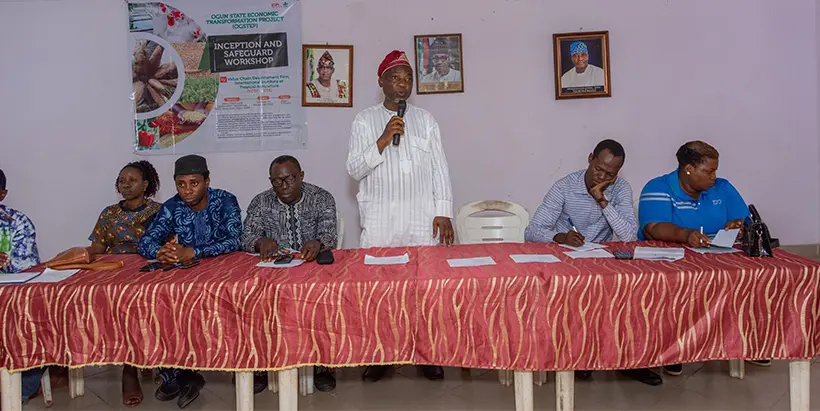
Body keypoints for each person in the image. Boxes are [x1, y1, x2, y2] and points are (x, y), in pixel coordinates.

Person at [346, 50, 454, 382]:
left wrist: (444, 211)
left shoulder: (426, 120)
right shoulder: (365, 120)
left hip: (422, 220)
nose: (403, 83)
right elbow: (354, 169)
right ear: (381, 82)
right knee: (380, 291)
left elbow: (440, 169)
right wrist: (381, 141)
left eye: (408, 78)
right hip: (381, 221)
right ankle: (381, 355)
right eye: (396, 77)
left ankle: (427, 354)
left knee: (424, 289)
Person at [523, 140, 661, 386]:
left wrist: (602, 200)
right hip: (569, 258)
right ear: (590, 159)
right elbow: (533, 230)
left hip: (603, 258)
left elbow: (628, 235)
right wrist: (559, 237)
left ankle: (630, 361)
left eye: (611, 174)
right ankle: (581, 358)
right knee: (574, 296)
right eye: (599, 169)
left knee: (637, 292)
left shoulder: (620, 189)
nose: (603, 177)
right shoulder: (564, 187)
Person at [638, 140, 770, 375]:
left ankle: (747, 342)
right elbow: (653, 227)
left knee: (752, 279)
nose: (714, 176)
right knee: (674, 285)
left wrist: (738, 226)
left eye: (715, 170)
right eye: (708, 171)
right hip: (673, 261)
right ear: (689, 169)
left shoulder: (723, 188)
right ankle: (673, 349)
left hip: (718, 258)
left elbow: (746, 221)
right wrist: (686, 234)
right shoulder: (658, 187)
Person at [137, 154, 241, 409]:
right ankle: (176, 373)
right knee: (160, 305)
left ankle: (193, 371)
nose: (187, 190)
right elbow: (145, 241)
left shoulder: (225, 201)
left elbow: (236, 239)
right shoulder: (172, 206)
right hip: (184, 277)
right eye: (181, 184)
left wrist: (194, 251)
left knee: (201, 309)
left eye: (194, 183)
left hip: (222, 277)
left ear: (207, 180)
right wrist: (159, 252)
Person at [241, 155, 338, 391]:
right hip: (273, 272)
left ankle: (321, 365)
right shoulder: (260, 202)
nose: (284, 187)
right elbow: (246, 237)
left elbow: (330, 236)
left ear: (301, 176)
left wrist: (317, 243)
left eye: (290, 179)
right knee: (253, 303)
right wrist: (260, 242)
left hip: (311, 271)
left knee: (322, 301)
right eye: (277, 182)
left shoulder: (321, 197)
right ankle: (261, 366)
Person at [84, 160, 161, 407]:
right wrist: (77, 258)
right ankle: (129, 369)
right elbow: (97, 248)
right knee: (121, 306)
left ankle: (152, 360)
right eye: (121, 181)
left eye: (132, 180)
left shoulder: (160, 211)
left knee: (149, 303)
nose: (125, 185)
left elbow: (166, 246)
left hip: (149, 269)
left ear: (146, 184)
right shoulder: (109, 214)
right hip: (116, 271)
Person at [0, 168, 47, 403]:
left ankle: (25, 387)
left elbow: (25, 269)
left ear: (2, 195)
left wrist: (5, 262)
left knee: (29, 317)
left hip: (9, 295)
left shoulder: (17, 222)